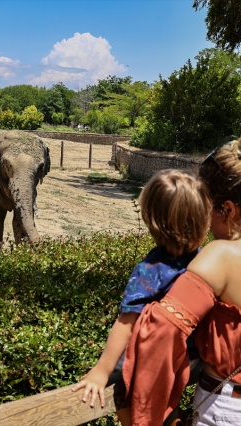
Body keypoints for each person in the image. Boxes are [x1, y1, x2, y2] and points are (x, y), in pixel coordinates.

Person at [123, 128, 241, 425]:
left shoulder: (220, 255)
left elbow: (160, 332)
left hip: (230, 412)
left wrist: (153, 416)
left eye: (206, 207)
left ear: (226, 209)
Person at [71, 169, 212, 425]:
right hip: (199, 358)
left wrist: (101, 371)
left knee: (120, 377)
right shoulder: (210, 261)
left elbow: (127, 322)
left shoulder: (150, 270)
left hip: (164, 360)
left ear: (151, 220)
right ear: (204, 220)